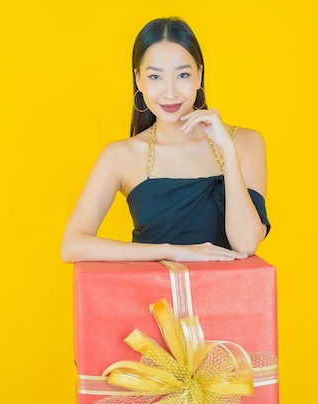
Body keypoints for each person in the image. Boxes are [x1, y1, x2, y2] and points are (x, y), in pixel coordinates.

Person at [61, 17, 270, 263]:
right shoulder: (120, 155)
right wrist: (172, 251)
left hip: (224, 298)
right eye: (155, 77)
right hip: (150, 299)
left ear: (200, 74)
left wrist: (227, 150)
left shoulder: (246, 142)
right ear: (138, 79)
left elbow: (245, 243)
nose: (170, 93)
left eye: (182, 75)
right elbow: (72, 246)